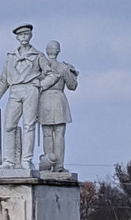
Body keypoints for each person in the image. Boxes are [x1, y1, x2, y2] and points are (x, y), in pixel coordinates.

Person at [0, 23, 56, 173]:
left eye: (26, 34)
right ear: (17, 37)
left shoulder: (38, 55)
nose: (23, 37)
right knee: (8, 126)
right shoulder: (11, 57)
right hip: (14, 90)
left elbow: (52, 75)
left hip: (30, 89)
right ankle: (8, 160)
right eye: (20, 35)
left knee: (29, 125)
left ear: (30, 35)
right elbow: (3, 79)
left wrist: (40, 84)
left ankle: (26, 160)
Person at [38, 40, 78, 173]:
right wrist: (72, 73)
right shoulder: (63, 67)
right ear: (58, 51)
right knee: (59, 135)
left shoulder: (40, 67)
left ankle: (48, 164)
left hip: (44, 100)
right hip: (59, 100)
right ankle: (59, 165)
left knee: (47, 135)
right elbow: (72, 86)